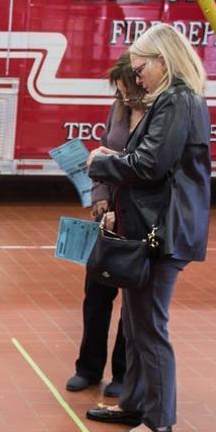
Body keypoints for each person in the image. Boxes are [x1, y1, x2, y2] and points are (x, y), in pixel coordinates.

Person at [86, 22, 211, 432]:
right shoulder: (174, 101)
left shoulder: (177, 101)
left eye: (140, 68)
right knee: (138, 325)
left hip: (165, 229)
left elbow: (149, 165)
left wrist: (102, 163)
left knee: (149, 327)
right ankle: (135, 401)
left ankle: (157, 422)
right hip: (157, 226)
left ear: (163, 61)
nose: (136, 77)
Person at [66, 55, 142, 397]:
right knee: (96, 296)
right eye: (119, 93)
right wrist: (99, 198)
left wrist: (124, 210)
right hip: (108, 216)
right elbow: (104, 153)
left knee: (133, 304)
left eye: (127, 92)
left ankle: (123, 375)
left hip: (140, 219)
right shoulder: (119, 108)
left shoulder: (160, 115)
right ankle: (88, 368)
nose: (122, 99)